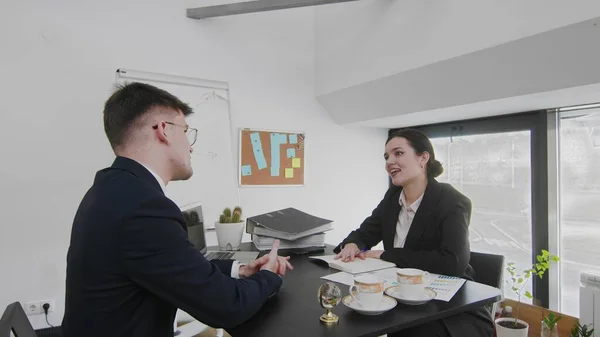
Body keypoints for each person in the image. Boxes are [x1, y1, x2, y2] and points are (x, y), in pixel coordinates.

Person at [61, 82, 293, 337]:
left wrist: (242, 270)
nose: (191, 146)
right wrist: (269, 277)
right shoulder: (143, 208)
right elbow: (227, 306)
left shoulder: (110, 190)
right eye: (186, 131)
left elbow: (177, 267)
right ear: (164, 130)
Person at [333, 129, 493, 337]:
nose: (389, 161)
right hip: (402, 297)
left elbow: (452, 262)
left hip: (449, 308)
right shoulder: (393, 197)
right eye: (386, 156)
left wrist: (385, 254)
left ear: (423, 158)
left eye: (398, 153)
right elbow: (366, 232)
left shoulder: (452, 201)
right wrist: (353, 244)